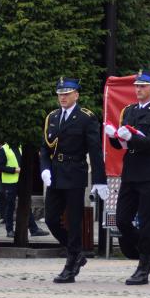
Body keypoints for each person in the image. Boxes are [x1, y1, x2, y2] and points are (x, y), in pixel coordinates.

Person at [40, 77, 109, 284]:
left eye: (67, 94)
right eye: (60, 94)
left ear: (76, 95)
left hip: (75, 173)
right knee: (51, 219)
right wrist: (44, 168)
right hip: (55, 173)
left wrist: (99, 179)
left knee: (74, 220)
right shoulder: (52, 117)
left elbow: (95, 151)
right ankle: (76, 252)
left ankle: (71, 265)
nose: (63, 97)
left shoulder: (86, 118)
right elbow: (45, 147)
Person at [106, 70, 150, 285]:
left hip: (149, 171)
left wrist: (130, 136)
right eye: (137, 86)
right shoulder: (129, 111)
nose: (139, 89)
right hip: (131, 170)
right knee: (122, 219)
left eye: (143, 86)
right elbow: (121, 144)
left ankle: (143, 266)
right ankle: (148, 253)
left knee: (147, 222)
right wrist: (114, 136)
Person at [0, 142, 48, 238]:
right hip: (9, 182)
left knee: (26, 204)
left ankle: (33, 229)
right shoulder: (4, 149)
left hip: (21, 181)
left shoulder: (21, 147)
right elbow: (0, 166)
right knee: (10, 207)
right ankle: (9, 230)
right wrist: (14, 170)